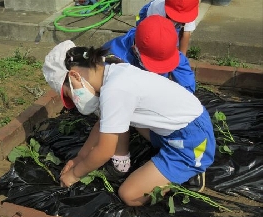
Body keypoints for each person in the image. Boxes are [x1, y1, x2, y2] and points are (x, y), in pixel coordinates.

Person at [53, 45, 215, 206]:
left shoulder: (114, 90)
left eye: (70, 94)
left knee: (130, 195)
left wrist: (74, 175)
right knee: (117, 121)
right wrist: (80, 158)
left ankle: (191, 168)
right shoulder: (112, 69)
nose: (75, 101)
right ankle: (163, 163)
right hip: (180, 126)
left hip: (192, 140)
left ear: (74, 75)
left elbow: (104, 151)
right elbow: (104, 124)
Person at [103, 15, 196, 93]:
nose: (158, 71)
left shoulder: (167, 47)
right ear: (135, 49)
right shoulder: (113, 58)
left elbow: (187, 84)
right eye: (153, 65)